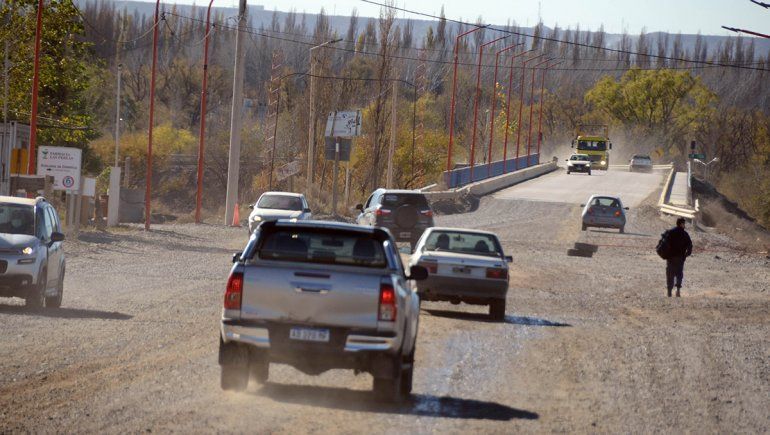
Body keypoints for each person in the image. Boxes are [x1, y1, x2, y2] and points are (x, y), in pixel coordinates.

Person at [665, 217, 693, 297]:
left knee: (670, 273)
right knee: (679, 273)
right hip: (680, 258)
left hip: (670, 257)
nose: (685, 225)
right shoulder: (685, 234)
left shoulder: (671, 232)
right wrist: (687, 254)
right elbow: (690, 245)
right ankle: (678, 291)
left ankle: (669, 291)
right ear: (681, 224)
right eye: (684, 223)